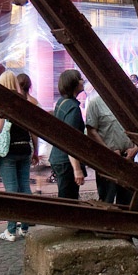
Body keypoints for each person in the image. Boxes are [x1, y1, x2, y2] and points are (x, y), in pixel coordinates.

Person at [0, 71, 37, 241]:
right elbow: (33, 130)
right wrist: (35, 151)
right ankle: (25, 227)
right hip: (24, 148)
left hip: (9, 151)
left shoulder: (3, 101)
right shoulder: (26, 101)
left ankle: (11, 230)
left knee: (11, 190)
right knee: (25, 188)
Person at [86, 93, 137, 205]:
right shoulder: (95, 103)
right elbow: (91, 131)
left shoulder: (128, 102)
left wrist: (135, 148)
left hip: (127, 158)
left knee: (128, 200)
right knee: (106, 199)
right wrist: (108, 151)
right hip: (106, 160)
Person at [50, 69, 87, 199]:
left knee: (65, 196)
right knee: (69, 199)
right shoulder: (73, 108)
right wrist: (77, 169)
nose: (82, 81)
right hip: (67, 162)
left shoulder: (62, 102)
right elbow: (70, 141)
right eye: (80, 79)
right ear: (74, 84)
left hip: (59, 158)